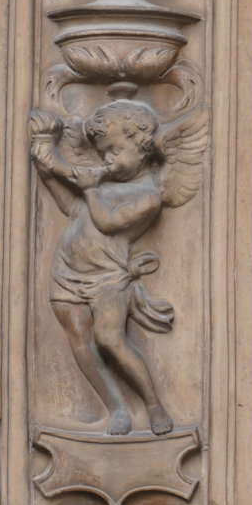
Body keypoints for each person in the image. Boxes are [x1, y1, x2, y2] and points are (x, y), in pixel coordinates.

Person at [30, 101, 181, 436]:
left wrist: (90, 187)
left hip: (108, 279)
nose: (107, 159)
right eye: (103, 152)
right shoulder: (102, 184)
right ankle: (116, 408)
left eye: (114, 150)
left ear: (142, 148)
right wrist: (48, 171)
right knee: (80, 341)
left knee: (109, 339)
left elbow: (108, 222)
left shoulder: (148, 196)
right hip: (66, 274)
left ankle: (153, 404)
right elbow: (72, 209)